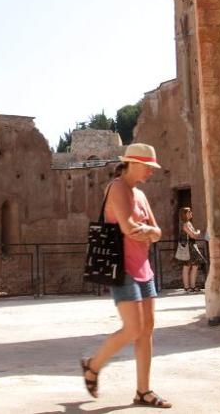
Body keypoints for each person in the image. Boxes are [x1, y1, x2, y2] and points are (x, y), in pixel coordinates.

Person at [81, 144, 171, 409]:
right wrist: (146, 231)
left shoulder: (140, 195)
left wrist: (146, 231)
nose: (151, 172)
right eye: (148, 167)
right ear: (132, 163)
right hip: (123, 269)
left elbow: (158, 232)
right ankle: (93, 365)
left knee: (147, 331)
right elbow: (129, 228)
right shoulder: (116, 188)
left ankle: (143, 391)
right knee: (133, 328)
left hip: (144, 268)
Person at [176, 207, 202, 293]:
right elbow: (193, 235)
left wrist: (196, 233)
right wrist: (198, 232)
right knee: (188, 266)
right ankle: (188, 287)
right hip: (189, 247)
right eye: (189, 212)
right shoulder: (186, 224)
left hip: (191, 246)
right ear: (185, 214)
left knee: (192, 266)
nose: (191, 213)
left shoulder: (188, 223)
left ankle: (191, 286)